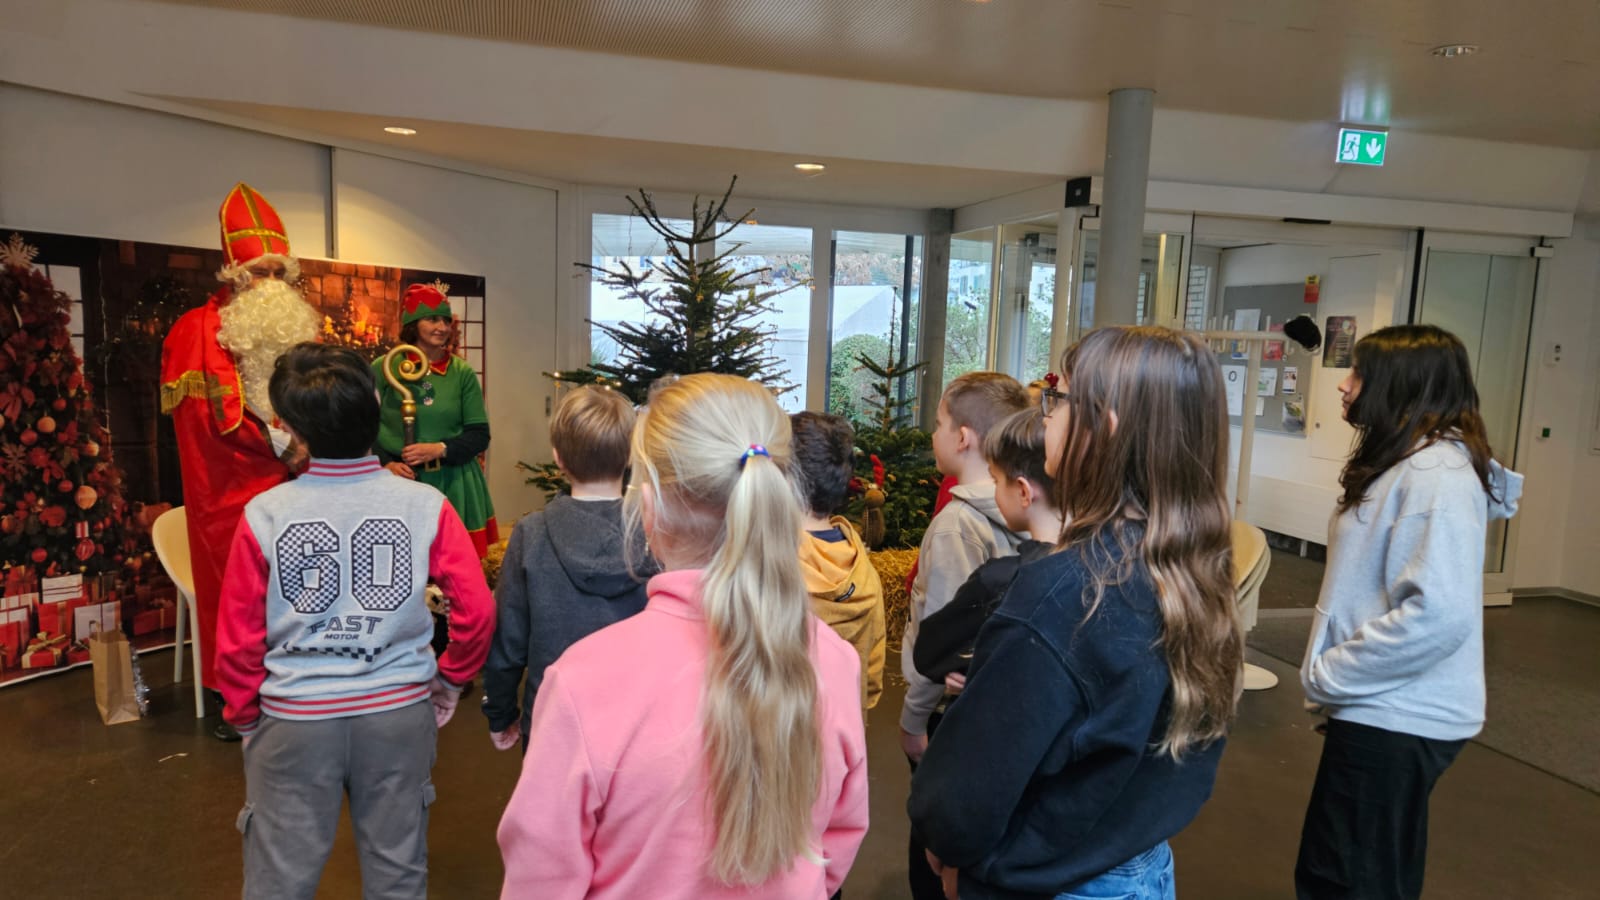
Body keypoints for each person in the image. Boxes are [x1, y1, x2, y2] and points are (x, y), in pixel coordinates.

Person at [497, 373, 868, 899]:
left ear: (648, 508)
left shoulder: (581, 682)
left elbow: (541, 879)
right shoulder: (834, 660)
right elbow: (837, 844)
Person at [909, 326, 1243, 900]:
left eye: (1058, 400)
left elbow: (962, 799)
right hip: (1141, 870)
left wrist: (955, 851)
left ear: (1101, 429)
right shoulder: (1191, 571)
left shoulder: (1063, 595)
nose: (1046, 415)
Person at [214, 343, 496, 900]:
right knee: (398, 872)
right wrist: (450, 679)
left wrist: (245, 716)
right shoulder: (425, 506)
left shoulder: (264, 514)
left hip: (294, 718)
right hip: (397, 713)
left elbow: (238, 637)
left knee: (278, 880)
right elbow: (478, 609)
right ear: (375, 407)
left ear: (290, 427)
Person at [1295, 324, 1522, 900]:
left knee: (1348, 882)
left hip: (1396, 714)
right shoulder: (1412, 464)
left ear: (1400, 385)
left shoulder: (1435, 476)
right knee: (1352, 874)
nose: (1343, 385)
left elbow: (1438, 615)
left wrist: (1333, 674)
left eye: (1358, 373)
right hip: (1380, 706)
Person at [160, 181, 320, 741]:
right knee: (237, 592)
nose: (271, 284)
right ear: (233, 274)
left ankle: (287, 681)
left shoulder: (285, 330)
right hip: (228, 487)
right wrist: (286, 447)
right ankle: (234, 694)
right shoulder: (198, 330)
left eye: (279, 272)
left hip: (289, 483)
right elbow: (215, 419)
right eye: (259, 272)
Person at [900, 371, 1031, 900]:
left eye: (938, 423)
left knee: (932, 853)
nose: (933, 434)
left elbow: (941, 644)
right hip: (1000, 708)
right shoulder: (1028, 510)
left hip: (946, 715)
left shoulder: (957, 525)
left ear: (963, 437)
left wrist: (913, 719)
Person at [482, 385, 650, 752]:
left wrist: (500, 711)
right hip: (637, 724)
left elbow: (509, 639)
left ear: (558, 458)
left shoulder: (531, 534)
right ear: (629, 457)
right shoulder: (655, 534)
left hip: (553, 721)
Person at [912, 406, 1062, 692]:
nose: (993, 490)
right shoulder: (1107, 568)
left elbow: (929, 655)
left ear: (1023, 492)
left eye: (995, 480)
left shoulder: (997, 581)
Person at [372, 282, 498, 557]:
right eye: (432, 319)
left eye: (445, 320)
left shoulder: (461, 372)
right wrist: (385, 463)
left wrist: (440, 449)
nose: (442, 327)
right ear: (413, 324)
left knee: (451, 565)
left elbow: (479, 435)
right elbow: (363, 426)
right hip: (398, 482)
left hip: (453, 483)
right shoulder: (385, 368)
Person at [792, 411, 887, 713]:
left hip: (780, 732)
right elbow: (873, 673)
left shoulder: (771, 569)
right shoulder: (863, 567)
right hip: (847, 724)